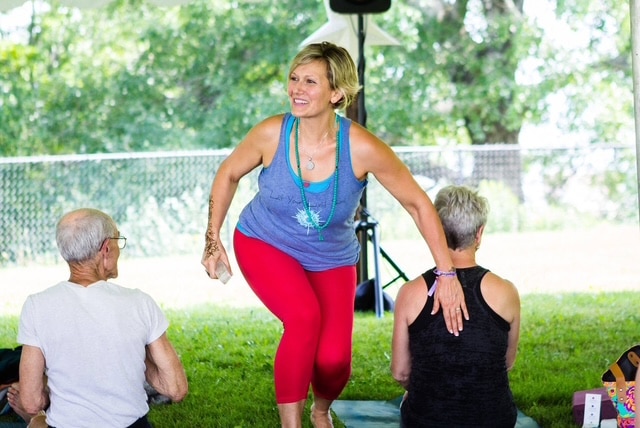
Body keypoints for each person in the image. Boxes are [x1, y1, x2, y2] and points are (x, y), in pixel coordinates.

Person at [201, 41, 467, 428]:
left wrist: (447, 274)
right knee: (304, 317)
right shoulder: (271, 133)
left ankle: (321, 410)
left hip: (332, 258)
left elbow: (418, 204)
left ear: (337, 92)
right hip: (265, 241)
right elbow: (227, 174)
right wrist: (213, 239)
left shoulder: (361, 147)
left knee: (334, 360)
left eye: (310, 81)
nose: (297, 89)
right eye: (294, 78)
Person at [8, 208, 188, 428]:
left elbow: (31, 402)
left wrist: (48, 398)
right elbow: (175, 388)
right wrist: (136, 356)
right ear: (106, 248)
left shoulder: (36, 306)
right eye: (117, 240)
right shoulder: (140, 303)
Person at [391, 185, 521, 428]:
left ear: (435, 231)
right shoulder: (506, 292)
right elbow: (506, 362)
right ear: (479, 233)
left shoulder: (409, 294)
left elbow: (401, 372)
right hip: (494, 420)